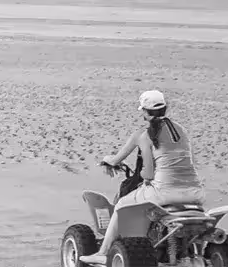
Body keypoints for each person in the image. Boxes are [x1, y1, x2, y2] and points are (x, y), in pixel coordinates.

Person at [80, 90, 205, 265]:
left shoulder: (144, 135)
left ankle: (103, 252)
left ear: (145, 112)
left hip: (164, 192)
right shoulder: (181, 131)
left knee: (121, 205)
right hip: (195, 193)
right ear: (165, 108)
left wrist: (109, 161)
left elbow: (147, 173)